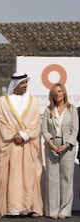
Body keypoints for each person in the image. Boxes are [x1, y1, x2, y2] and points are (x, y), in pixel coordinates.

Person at [0, 72, 43, 218]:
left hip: (27, 145)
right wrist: (13, 135)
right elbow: (1, 122)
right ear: (15, 84)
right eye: (22, 83)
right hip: (10, 145)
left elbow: (36, 122)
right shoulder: (3, 101)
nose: (25, 86)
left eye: (26, 83)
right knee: (12, 176)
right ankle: (12, 208)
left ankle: (29, 207)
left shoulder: (33, 101)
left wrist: (23, 135)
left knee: (29, 176)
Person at [41, 83, 78, 219]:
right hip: (51, 146)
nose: (58, 94)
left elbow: (75, 130)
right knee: (52, 180)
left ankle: (65, 210)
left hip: (67, 147)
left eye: (60, 92)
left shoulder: (72, 109)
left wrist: (67, 144)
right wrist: (50, 143)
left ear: (64, 93)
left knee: (66, 179)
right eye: (55, 92)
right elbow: (44, 129)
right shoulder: (47, 110)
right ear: (52, 95)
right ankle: (53, 210)